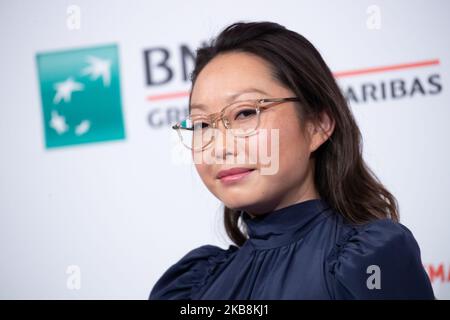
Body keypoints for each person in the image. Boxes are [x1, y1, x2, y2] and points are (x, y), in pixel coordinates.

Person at [149, 21, 435, 299]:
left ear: (318, 125)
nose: (220, 148)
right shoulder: (192, 284)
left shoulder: (369, 259)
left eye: (245, 113)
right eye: (202, 125)